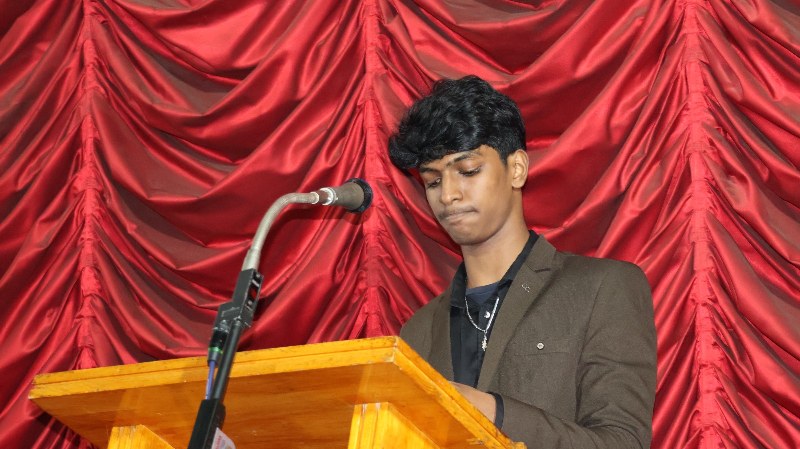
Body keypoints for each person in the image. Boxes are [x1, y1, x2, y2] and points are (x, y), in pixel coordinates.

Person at [388, 75, 656, 448]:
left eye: (468, 171)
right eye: (433, 181)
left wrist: (491, 412)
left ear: (516, 169)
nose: (448, 195)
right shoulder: (416, 333)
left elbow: (623, 442)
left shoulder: (603, 288)